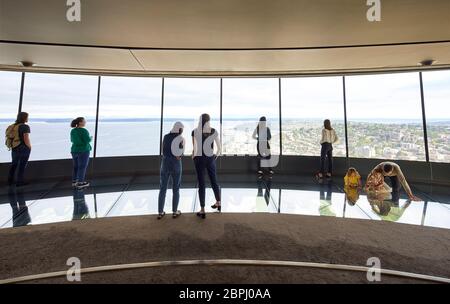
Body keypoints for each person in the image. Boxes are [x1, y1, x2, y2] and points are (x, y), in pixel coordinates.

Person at [192, 114, 221, 219]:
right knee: (214, 181)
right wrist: (214, 158)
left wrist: (194, 157)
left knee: (201, 184)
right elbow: (219, 148)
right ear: (209, 121)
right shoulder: (213, 131)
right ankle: (218, 202)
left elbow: (194, 149)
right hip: (210, 159)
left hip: (199, 160)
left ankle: (203, 209)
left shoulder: (195, 131)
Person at [158, 122, 185, 220]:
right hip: (176, 165)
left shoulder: (165, 137)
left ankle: (160, 212)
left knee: (162, 189)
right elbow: (179, 155)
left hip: (165, 164)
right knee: (176, 188)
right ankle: (174, 212)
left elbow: (162, 151)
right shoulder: (180, 139)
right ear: (180, 129)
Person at [7, 112, 31, 187]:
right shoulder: (25, 127)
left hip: (14, 147)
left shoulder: (13, 126)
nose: (28, 118)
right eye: (27, 117)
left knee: (14, 164)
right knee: (22, 165)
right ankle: (19, 182)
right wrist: (29, 147)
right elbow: (26, 139)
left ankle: (10, 181)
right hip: (23, 148)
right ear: (24, 118)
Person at [70, 117, 92, 190]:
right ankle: (80, 182)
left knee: (75, 166)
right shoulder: (84, 131)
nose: (85, 122)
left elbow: (72, 140)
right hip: (83, 150)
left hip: (74, 150)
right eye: (84, 121)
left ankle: (74, 181)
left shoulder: (73, 131)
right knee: (82, 167)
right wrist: (91, 138)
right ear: (80, 122)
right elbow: (87, 140)